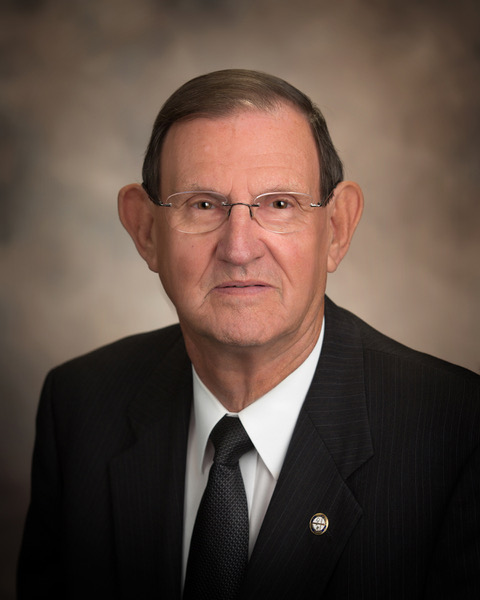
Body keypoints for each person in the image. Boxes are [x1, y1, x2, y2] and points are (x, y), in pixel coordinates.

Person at [17, 69, 479, 599]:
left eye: (279, 204)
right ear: (146, 231)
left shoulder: (457, 431)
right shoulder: (79, 407)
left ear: (336, 228)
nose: (239, 249)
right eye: (202, 204)